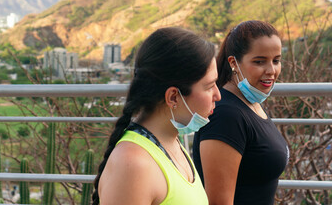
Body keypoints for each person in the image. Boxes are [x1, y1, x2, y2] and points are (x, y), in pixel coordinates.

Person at [92, 27, 221, 205]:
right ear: (173, 97)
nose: (218, 95)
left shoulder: (171, 143)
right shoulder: (133, 165)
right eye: (209, 87)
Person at [193, 20, 289, 205]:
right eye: (259, 61)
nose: (271, 70)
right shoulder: (226, 115)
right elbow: (218, 202)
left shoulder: (251, 102)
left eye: (276, 60)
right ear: (234, 63)